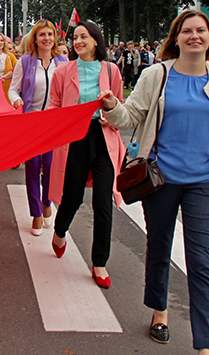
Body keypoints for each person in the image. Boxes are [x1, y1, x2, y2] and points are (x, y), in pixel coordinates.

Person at [99, 10, 209, 354]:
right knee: (160, 246)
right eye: (187, 31)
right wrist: (111, 106)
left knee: (200, 262)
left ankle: (206, 345)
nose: (194, 36)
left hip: (204, 182)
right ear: (176, 38)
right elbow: (130, 116)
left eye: (201, 30)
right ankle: (160, 311)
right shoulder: (157, 75)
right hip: (160, 180)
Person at [47, 22, 124, 289]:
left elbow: (120, 105)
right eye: (75, 37)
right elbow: (54, 103)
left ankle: (99, 262)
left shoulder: (111, 70)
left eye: (84, 37)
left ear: (95, 40)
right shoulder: (63, 70)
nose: (78, 41)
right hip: (74, 138)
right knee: (72, 197)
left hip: (103, 137)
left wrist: (110, 110)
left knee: (103, 202)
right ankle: (59, 232)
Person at [8, 20, 68, 235]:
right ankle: (35, 213)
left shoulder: (63, 61)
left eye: (50, 34)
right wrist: (17, 100)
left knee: (51, 166)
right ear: (35, 39)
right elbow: (13, 90)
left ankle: (46, 203)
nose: (47, 38)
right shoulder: (24, 62)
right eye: (42, 34)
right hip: (32, 122)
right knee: (33, 165)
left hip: (54, 123)